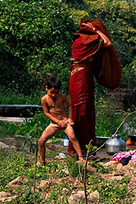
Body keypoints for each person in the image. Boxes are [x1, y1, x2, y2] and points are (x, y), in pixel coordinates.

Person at [68, 19, 122, 155]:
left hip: (80, 75)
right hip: (81, 77)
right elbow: (108, 43)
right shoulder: (84, 42)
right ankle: (81, 149)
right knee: (82, 111)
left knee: (85, 110)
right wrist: (97, 31)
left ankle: (83, 148)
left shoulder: (81, 42)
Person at [38, 76, 85, 165]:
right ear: (46, 88)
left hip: (65, 121)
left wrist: (70, 118)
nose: (54, 95)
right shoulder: (44, 99)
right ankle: (42, 161)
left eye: (56, 92)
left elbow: (69, 106)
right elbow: (47, 113)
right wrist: (57, 122)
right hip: (54, 123)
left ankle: (81, 158)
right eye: (51, 92)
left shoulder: (62, 97)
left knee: (72, 137)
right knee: (41, 140)